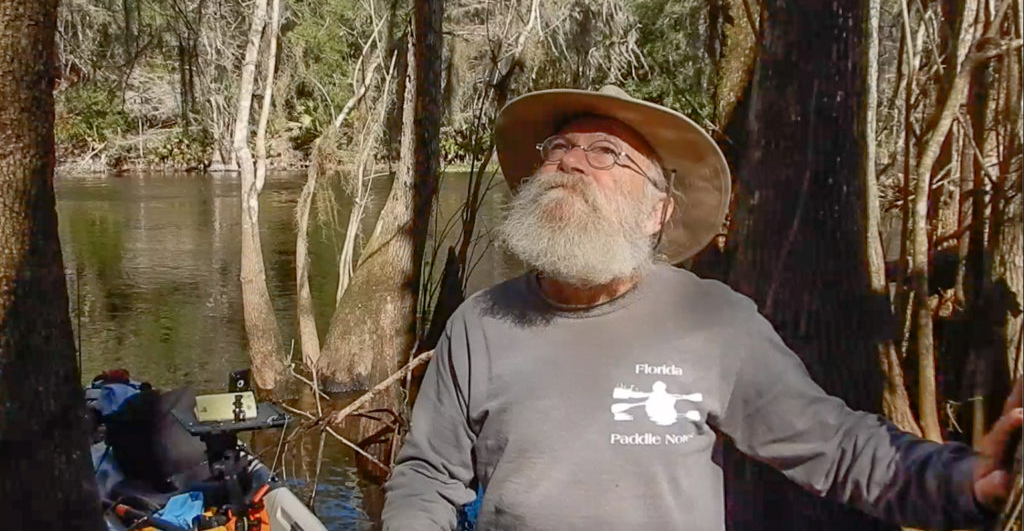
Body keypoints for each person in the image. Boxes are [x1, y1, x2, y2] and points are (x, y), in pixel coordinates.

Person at [381, 85, 1023, 531]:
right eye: (558, 150)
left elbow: (834, 446)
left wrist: (968, 481)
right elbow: (430, 474)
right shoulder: (481, 322)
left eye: (605, 154)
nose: (570, 162)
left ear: (658, 210)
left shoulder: (715, 321)